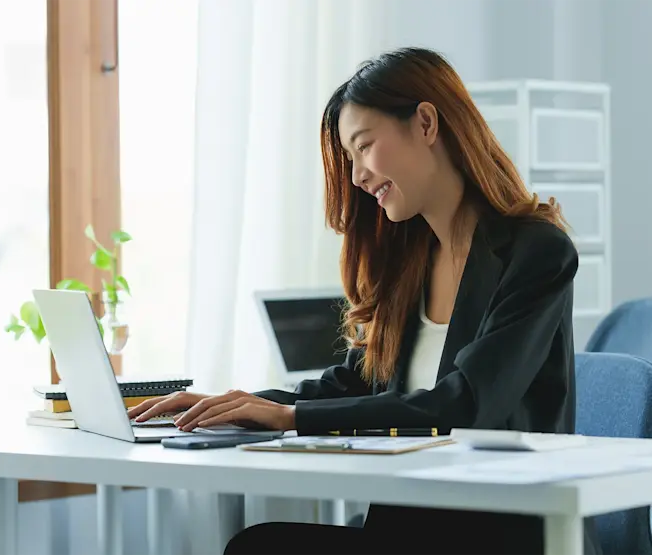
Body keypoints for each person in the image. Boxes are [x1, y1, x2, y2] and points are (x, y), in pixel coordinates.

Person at [127, 47, 602, 555]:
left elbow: (469, 402)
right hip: (408, 525)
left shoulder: (537, 253)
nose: (356, 177)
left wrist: (292, 420)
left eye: (364, 146)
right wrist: (249, 404)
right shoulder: (411, 261)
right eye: (349, 159)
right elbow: (360, 380)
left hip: (499, 534)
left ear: (425, 123)